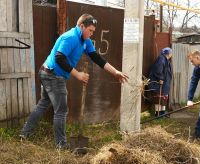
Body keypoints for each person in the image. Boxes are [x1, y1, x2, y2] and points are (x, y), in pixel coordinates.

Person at [20, 14, 129, 149]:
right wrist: (77, 74)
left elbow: (96, 58)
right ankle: (61, 145)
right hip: (52, 75)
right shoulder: (70, 37)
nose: (92, 34)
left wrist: (115, 72)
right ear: (81, 26)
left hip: (47, 73)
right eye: (90, 30)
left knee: (43, 104)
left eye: (93, 31)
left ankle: (24, 134)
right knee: (61, 110)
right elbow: (60, 58)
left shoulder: (85, 40)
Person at [147, 47, 172, 117]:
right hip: (160, 82)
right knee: (159, 98)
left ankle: (162, 113)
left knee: (163, 97)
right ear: (169, 53)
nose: (171, 55)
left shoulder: (166, 60)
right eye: (171, 53)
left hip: (165, 82)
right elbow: (158, 70)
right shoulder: (161, 58)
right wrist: (160, 78)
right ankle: (157, 113)